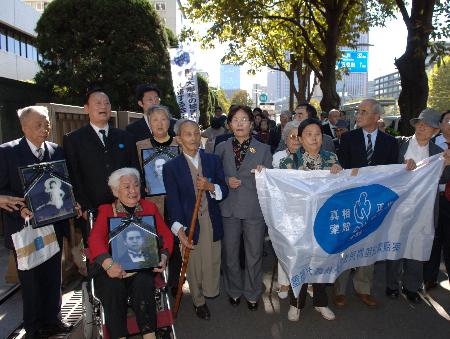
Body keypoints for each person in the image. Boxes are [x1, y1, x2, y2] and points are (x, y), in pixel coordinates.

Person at [0, 106, 76, 338]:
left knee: (53, 276)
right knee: (31, 280)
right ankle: (32, 327)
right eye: (38, 125)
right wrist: (13, 204)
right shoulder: (7, 152)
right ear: (24, 128)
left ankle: (53, 320)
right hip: (23, 227)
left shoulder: (56, 150)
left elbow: (65, 184)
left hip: (53, 224)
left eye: (46, 124)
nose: (44, 129)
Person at [88, 167, 173, 339]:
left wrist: (163, 256)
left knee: (143, 284)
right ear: (115, 191)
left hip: (140, 266)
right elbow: (94, 239)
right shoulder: (106, 210)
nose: (133, 190)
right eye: (127, 187)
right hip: (111, 267)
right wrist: (108, 264)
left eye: (136, 185)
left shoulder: (149, 207)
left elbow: (166, 235)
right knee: (113, 288)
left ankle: (150, 335)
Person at [334, 98, 399, 308]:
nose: (358, 115)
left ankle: (364, 289)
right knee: (346, 243)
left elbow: (393, 173)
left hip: (376, 203)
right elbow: (342, 169)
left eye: (363, 112)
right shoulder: (348, 139)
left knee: (368, 244)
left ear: (376, 116)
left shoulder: (390, 142)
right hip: (350, 201)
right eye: (358, 111)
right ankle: (340, 290)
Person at [163, 119, 228, 320]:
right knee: (192, 265)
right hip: (188, 223)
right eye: (188, 134)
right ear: (178, 139)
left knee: (211, 261)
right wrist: (178, 231)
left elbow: (223, 190)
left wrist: (210, 187)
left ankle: (208, 292)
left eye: (196, 133)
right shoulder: (171, 167)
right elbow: (172, 201)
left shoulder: (212, 161)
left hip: (210, 220)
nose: (193, 138)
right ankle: (198, 301)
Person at [280, 118, 341, 321]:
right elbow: (280, 190)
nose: (314, 138)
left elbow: (341, 187)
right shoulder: (289, 162)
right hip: (298, 221)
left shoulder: (331, 158)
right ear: (300, 138)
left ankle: (321, 302)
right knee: (300, 261)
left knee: (322, 260)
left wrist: (339, 173)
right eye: (308, 134)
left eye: (317, 134)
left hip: (324, 220)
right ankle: (296, 303)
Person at [386, 108, 447, 303]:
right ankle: (392, 284)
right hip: (397, 207)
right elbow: (385, 170)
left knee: (417, 246)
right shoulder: (398, 144)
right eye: (419, 123)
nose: (422, 127)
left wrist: (445, 166)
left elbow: (443, 179)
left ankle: (412, 287)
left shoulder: (439, 153)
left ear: (435, 131)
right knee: (395, 246)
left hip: (424, 209)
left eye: (427, 125)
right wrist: (400, 168)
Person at [215, 105, 272, 311]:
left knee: (254, 253)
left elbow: (271, 179)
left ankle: (253, 292)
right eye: (235, 119)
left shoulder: (263, 148)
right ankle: (234, 291)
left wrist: (264, 172)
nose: (240, 123)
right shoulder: (221, 147)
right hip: (228, 208)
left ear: (252, 123)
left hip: (254, 209)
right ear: (229, 124)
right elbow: (214, 174)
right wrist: (225, 179)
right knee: (230, 253)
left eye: (244, 119)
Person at [63, 88, 140, 241]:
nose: (103, 106)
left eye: (107, 103)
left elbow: (135, 172)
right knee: (96, 258)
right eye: (98, 103)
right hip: (92, 211)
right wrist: (85, 208)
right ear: (86, 108)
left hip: (125, 207)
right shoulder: (73, 140)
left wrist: (136, 202)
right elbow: (73, 176)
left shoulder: (126, 137)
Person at [271, 120, 301, 299]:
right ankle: (283, 283)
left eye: (299, 136)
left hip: (305, 209)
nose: (296, 140)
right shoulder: (278, 157)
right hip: (284, 209)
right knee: (285, 245)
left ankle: (308, 282)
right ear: (286, 138)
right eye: (292, 136)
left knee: (305, 247)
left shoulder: (311, 156)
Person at [423, 109, 450, 290]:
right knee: (432, 239)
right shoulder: (430, 144)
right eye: (448, 120)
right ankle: (429, 278)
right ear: (439, 125)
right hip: (433, 199)